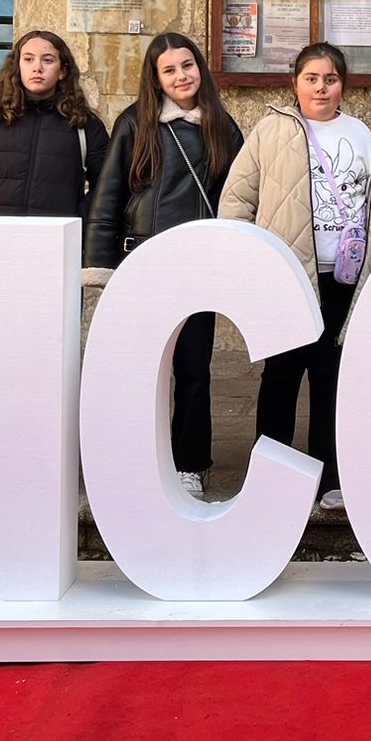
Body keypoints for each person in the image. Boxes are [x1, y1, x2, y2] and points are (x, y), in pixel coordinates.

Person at [219, 42, 371, 515]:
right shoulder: (270, 130)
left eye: (330, 79)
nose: (321, 88)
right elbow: (237, 199)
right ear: (295, 83)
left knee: (331, 376)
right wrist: (245, 263)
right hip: (287, 273)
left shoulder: (363, 135)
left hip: (344, 277)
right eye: (311, 78)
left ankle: (330, 474)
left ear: (343, 85)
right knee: (281, 374)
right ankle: (272, 474)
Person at [81, 32, 240, 498]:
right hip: (145, 260)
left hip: (199, 263)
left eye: (187, 66)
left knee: (193, 369)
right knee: (141, 367)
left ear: (199, 69)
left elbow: (237, 196)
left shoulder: (222, 125)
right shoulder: (135, 123)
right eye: (169, 70)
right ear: (155, 78)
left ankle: (190, 464)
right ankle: (134, 456)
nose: (181, 76)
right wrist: (99, 264)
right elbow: (108, 195)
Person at [0, 29, 109, 219]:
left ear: (62, 71)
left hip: (57, 233)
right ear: (17, 66)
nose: (37, 68)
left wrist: (77, 219)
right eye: (28, 59)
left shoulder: (84, 125)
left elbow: (106, 187)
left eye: (47, 60)